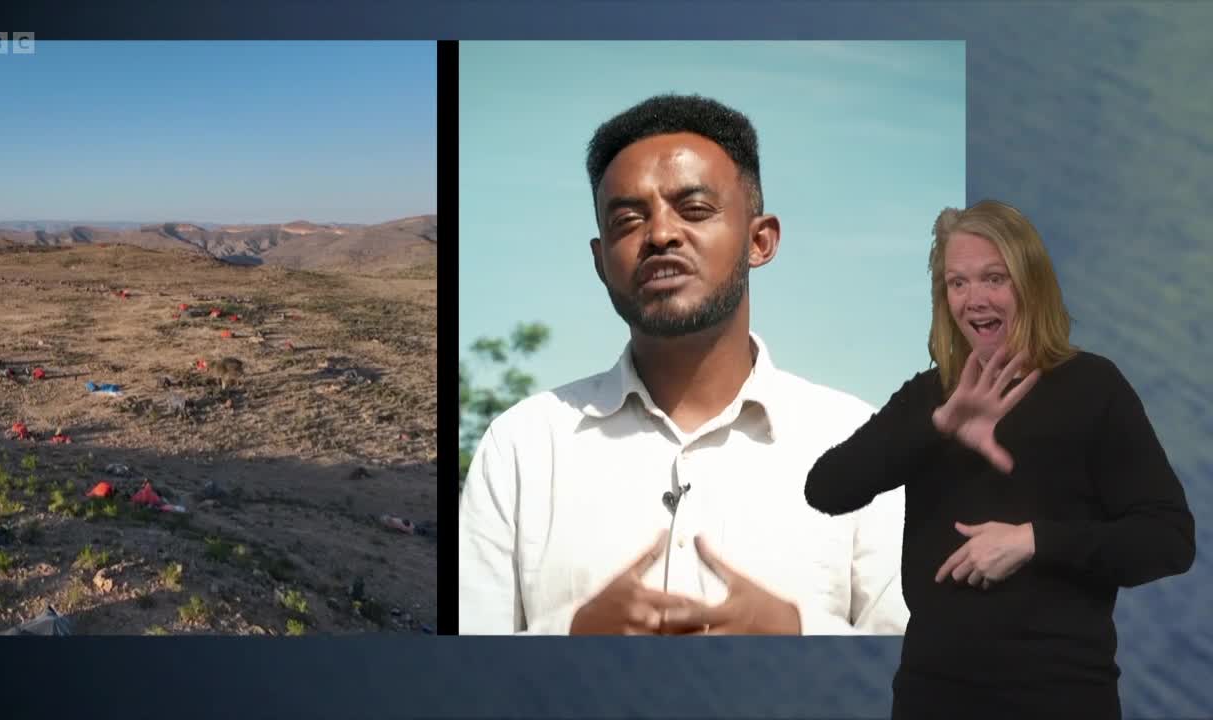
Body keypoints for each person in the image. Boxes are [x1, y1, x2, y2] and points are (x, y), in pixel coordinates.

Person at [459, 94, 909, 635]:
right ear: (601, 262)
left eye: (694, 210)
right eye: (628, 220)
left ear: (759, 240)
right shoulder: (522, 447)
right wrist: (570, 642)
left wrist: (801, 639)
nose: (660, 235)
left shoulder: (861, 443)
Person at [804, 200, 1196, 718]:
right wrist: (939, 427)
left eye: (994, 278)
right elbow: (826, 488)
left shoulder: (1095, 389)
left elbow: (1168, 540)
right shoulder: (931, 398)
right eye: (957, 283)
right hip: (932, 695)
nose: (974, 299)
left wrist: (1033, 540)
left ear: (1029, 285)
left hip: (1061, 695)